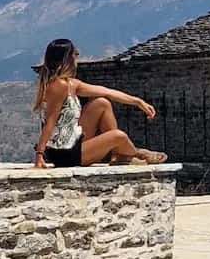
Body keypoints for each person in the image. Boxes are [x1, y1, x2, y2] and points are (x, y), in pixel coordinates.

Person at [33, 38, 167, 169]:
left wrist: (137, 101)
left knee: (102, 103)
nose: (77, 58)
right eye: (75, 54)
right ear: (67, 58)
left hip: (73, 140)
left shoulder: (71, 84)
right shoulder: (58, 85)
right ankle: (136, 153)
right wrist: (39, 154)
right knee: (118, 136)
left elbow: (106, 92)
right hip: (64, 153)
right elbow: (50, 121)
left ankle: (118, 155)